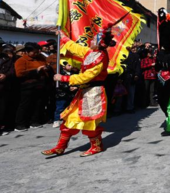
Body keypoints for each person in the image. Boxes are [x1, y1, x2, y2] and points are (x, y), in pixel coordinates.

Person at [42, 27, 116, 156]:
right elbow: (74, 47)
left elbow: (87, 76)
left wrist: (64, 78)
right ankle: (60, 147)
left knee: (89, 122)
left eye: (94, 39)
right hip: (83, 91)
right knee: (70, 119)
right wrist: (62, 36)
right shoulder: (89, 52)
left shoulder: (100, 57)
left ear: (100, 43)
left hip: (94, 93)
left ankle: (96, 146)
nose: (91, 41)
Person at [14, 43, 51, 131]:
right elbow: (19, 73)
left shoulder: (41, 58)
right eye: (34, 52)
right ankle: (20, 124)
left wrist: (46, 68)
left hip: (40, 84)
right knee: (25, 105)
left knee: (38, 104)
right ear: (27, 52)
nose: (36, 53)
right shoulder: (22, 60)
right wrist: (36, 71)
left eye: (37, 51)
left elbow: (46, 64)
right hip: (28, 85)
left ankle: (35, 122)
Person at [53, 61, 78, 128]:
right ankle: (56, 120)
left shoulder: (73, 73)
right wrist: (68, 87)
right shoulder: (60, 74)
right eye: (69, 65)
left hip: (71, 94)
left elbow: (77, 81)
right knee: (60, 107)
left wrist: (76, 87)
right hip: (62, 93)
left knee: (70, 107)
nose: (71, 67)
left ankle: (69, 119)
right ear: (63, 66)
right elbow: (60, 84)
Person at [0, 45, 16, 135]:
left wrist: (5, 75)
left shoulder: (6, 59)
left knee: (2, 108)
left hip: (4, 87)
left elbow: (12, 70)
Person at [120, 46, 141, 114]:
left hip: (131, 76)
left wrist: (136, 74)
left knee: (131, 93)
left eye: (135, 48)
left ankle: (130, 107)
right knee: (120, 93)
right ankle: (118, 108)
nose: (134, 49)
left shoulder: (136, 56)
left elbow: (137, 66)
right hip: (123, 76)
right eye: (133, 48)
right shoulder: (122, 54)